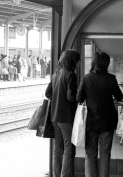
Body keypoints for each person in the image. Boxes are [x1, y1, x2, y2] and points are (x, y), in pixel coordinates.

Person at [77, 51, 123, 177]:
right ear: (106, 64)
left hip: (90, 122)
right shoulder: (111, 78)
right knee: (105, 153)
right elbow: (119, 97)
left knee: (90, 153)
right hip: (107, 122)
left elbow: (78, 98)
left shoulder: (86, 78)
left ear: (94, 62)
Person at [45, 49, 81, 177]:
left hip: (54, 116)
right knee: (68, 147)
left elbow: (47, 93)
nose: (77, 63)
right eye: (76, 61)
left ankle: (56, 174)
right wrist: (79, 96)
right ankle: (65, 175)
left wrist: (57, 97)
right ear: (72, 61)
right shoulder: (71, 75)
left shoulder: (56, 74)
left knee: (58, 148)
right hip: (66, 117)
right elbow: (71, 97)